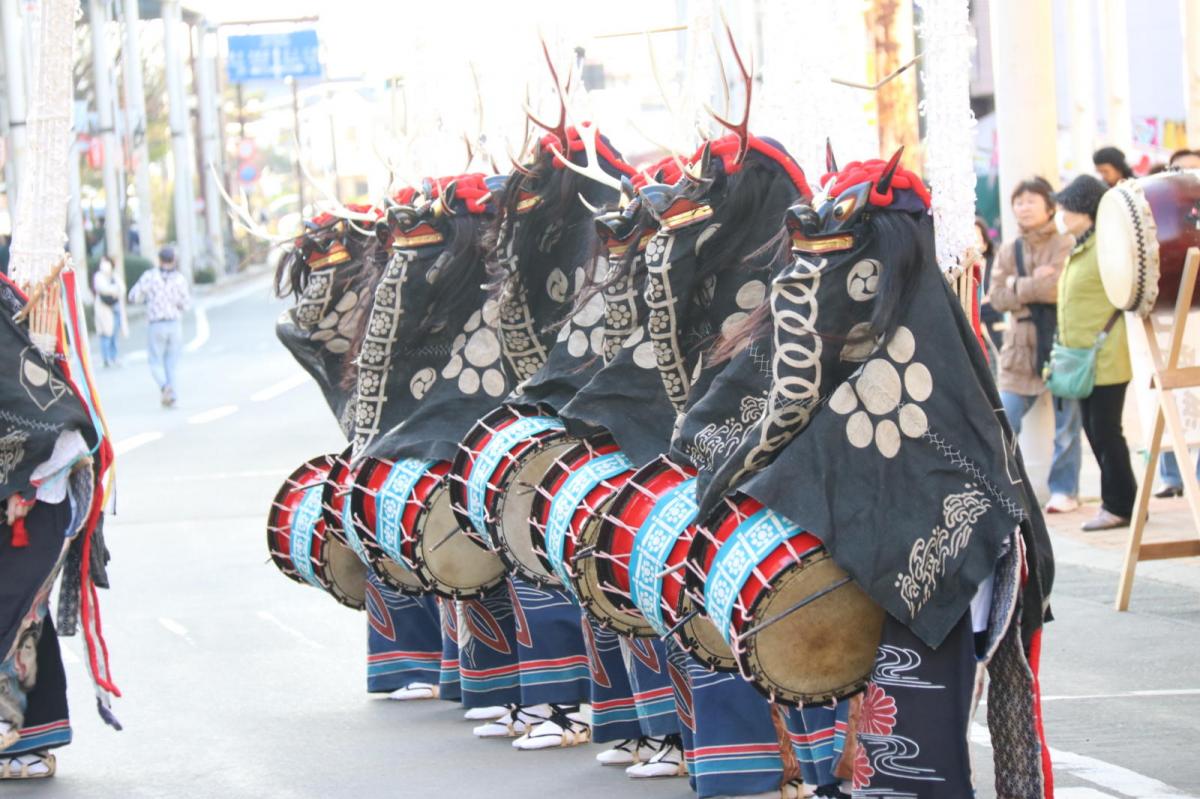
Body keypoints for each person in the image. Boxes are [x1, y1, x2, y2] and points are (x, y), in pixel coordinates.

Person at [987, 177, 1082, 513]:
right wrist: (1031, 283)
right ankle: (1007, 490)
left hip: (1060, 340)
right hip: (1019, 345)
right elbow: (996, 297)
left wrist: (1017, 284)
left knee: (1067, 423)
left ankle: (1064, 490)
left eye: (1031, 200)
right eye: (1019, 201)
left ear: (1049, 206)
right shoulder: (1008, 248)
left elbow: (1059, 289)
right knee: (1003, 419)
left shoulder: (1064, 243)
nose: (1024, 207)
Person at [1054, 175, 1139, 531]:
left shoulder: (1106, 245)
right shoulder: (1082, 245)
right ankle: (1122, 501)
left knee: (1105, 430)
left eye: (1064, 207)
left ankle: (1120, 505)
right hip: (1083, 356)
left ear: (1083, 210)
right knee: (1095, 429)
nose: (1060, 213)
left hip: (1104, 355)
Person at [127, 246, 189, 407]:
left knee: (155, 361)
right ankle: (172, 395)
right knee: (171, 362)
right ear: (173, 260)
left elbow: (133, 296)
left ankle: (164, 386)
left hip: (156, 324)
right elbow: (186, 304)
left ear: (159, 260)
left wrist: (147, 300)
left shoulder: (150, 277)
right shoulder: (179, 279)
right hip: (174, 323)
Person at [975, 217, 1003, 353]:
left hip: (994, 327)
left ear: (985, 243)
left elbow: (997, 301)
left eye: (976, 238)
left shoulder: (996, 264)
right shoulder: (959, 270)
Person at [92, 256, 123, 367]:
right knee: (105, 334)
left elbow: (122, 288)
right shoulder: (98, 276)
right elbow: (102, 289)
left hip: (115, 307)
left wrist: (113, 289)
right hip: (104, 309)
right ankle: (106, 358)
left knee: (115, 334)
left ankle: (113, 357)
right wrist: (114, 289)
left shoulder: (114, 275)